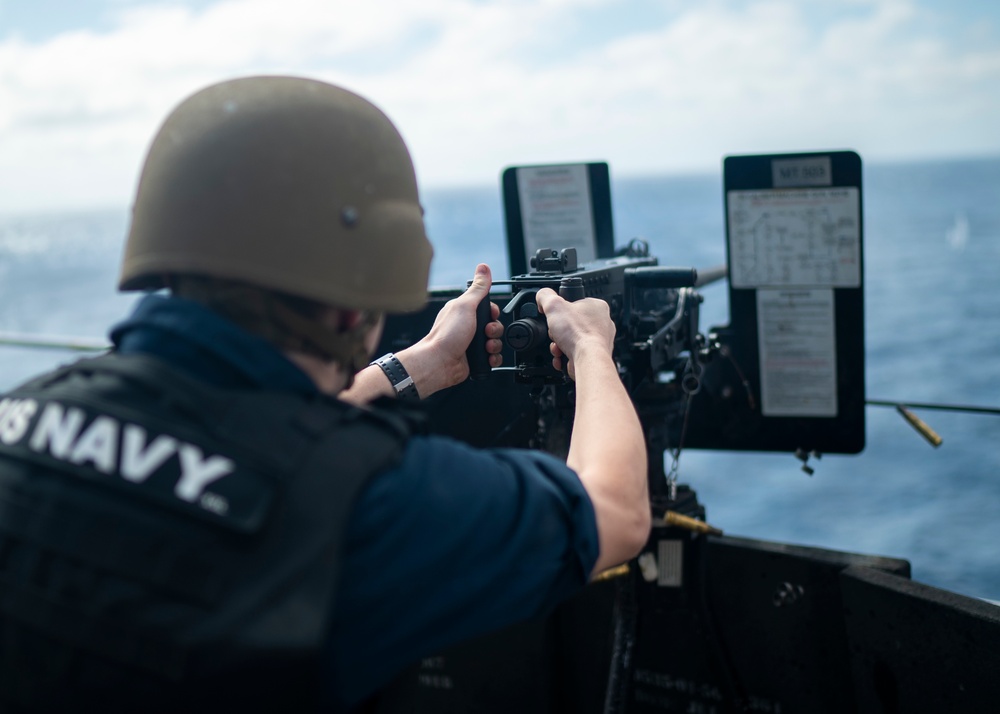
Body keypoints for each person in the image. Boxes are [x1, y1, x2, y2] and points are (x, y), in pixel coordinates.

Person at [0, 76, 650, 712]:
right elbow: (615, 514)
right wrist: (591, 346)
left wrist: (416, 364)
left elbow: (237, 443)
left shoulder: (27, 414)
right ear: (351, 307)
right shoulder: (366, 503)